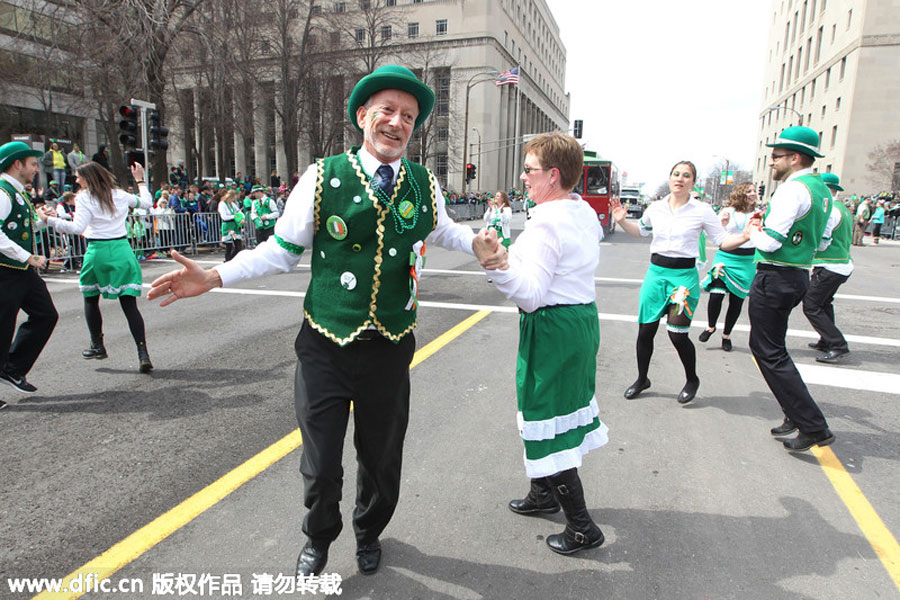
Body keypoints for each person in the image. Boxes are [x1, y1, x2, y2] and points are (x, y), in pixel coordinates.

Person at [146, 65, 505, 578]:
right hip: (325, 345)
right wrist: (215, 276)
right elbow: (281, 250)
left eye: (408, 116)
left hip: (390, 344)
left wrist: (474, 243)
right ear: (363, 116)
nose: (397, 123)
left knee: (382, 459)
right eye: (387, 110)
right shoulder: (323, 176)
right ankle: (319, 537)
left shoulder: (424, 181)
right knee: (319, 463)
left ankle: (369, 531)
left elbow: (441, 228)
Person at [476, 132, 608, 556]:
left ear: (553, 175)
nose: (523, 177)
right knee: (554, 411)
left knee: (545, 415)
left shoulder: (547, 220)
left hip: (552, 325)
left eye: (530, 169)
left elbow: (530, 294)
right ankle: (542, 494)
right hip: (579, 320)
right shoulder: (580, 209)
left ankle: (582, 526)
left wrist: (495, 264)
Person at [610, 161, 750, 405]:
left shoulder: (703, 210)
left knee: (677, 334)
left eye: (686, 175)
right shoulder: (655, 207)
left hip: (683, 279)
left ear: (692, 182)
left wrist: (745, 237)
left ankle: (691, 379)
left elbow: (722, 240)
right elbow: (641, 231)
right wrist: (621, 220)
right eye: (676, 174)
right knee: (646, 332)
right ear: (670, 177)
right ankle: (642, 379)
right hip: (656, 275)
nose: (680, 179)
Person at [750, 126, 837, 451]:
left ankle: (813, 425)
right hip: (798, 275)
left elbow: (771, 241)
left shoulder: (791, 189)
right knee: (773, 349)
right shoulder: (823, 191)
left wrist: (753, 229)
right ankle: (795, 414)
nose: (771, 162)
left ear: (795, 157)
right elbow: (824, 240)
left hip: (776, 275)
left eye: (776, 156)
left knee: (768, 352)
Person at [37, 161, 154, 373]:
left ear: (88, 178)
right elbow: (147, 202)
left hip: (97, 250)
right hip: (121, 249)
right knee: (129, 305)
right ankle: (142, 352)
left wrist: (48, 220)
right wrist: (140, 180)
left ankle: (97, 345)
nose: (76, 180)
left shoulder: (84, 197)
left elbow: (77, 228)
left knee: (90, 299)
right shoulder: (119, 194)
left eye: (78, 177)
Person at [0, 142, 58, 400]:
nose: (37, 168)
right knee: (2, 328)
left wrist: (41, 222)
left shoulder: (17, 192)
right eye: (32, 163)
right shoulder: (2, 193)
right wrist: (29, 256)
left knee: (46, 315)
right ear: (17, 164)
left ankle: (12, 368)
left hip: (21, 271)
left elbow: (20, 228)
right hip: (5, 271)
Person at [698, 183, 758, 351]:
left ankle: (726, 335)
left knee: (737, 301)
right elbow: (715, 233)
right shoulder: (728, 212)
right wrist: (722, 223)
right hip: (725, 258)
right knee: (716, 295)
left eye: (754, 191)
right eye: (749, 191)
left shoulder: (758, 214)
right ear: (741, 194)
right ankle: (710, 327)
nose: (753, 194)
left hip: (746, 261)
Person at [803, 172, 852, 364]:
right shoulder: (842, 208)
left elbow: (824, 240)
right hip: (840, 264)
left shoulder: (830, 210)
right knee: (823, 303)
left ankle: (837, 343)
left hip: (830, 265)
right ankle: (826, 339)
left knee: (811, 305)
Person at [217, 190, 244, 261]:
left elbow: (239, 211)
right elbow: (224, 217)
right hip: (228, 227)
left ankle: (230, 259)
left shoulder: (232, 204)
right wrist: (234, 216)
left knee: (238, 246)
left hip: (234, 228)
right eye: (233, 198)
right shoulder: (222, 204)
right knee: (229, 246)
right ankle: (228, 260)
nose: (234, 200)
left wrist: (242, 218)